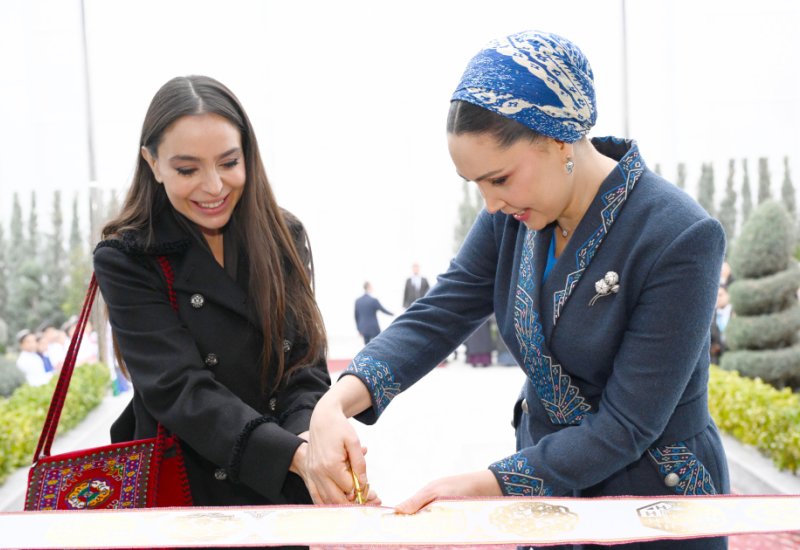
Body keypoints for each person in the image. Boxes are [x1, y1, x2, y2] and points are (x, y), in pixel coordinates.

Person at [307, 31, 728, 550]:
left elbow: (627, 424)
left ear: (557, 140)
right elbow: (441, 312)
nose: (489, 204)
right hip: (546, 496)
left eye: (499, 179)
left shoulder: (678, 235)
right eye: (476, 185)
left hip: (650, 502)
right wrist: (335, 404)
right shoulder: (516, 218)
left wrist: (485, 485)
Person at [93, 76, 340, 523]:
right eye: (187, 170)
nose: (213, 187)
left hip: (284, 487)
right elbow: (178, 389)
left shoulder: (285, 237)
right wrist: (292, 454)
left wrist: (308, 440)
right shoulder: (128, 257)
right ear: (152, 162)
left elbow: (304, 367)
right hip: (188, 493)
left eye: (229, 162)